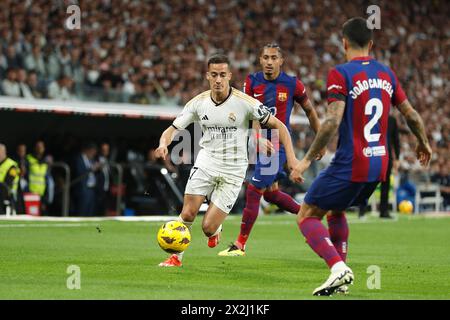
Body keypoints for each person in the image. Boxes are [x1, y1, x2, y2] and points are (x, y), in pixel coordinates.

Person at [290, 17, 432, 296]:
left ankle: (337, 268)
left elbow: (331, 121)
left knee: (306, 215)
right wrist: (423, 142)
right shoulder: (387, 74)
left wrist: (306, 160)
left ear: (343, 42)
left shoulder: (340, 73)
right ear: (371, 43)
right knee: (337, 209)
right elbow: (412, 115)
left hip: (351, 161)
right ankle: (341, 277)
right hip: (380, 164)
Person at [155, 54, 299, 267]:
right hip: (206, 162)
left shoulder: (246, 103)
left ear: (230, 76)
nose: (218, 79)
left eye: (223, 74)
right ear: (207, 76)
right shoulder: (198, 103)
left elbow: (281, 127)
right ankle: (176, 258)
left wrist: (292, 159)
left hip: (234, 169)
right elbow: (172, 129)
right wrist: (163, 143)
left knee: (208, 228)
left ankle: (216, 228)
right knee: (187, 212)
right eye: (214, 75)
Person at [218, 43, 324, 256]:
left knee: (253, 189)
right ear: (260, 59)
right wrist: (257, 137)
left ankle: (240, 245)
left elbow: (311, 112)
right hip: (259, 142)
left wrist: (319, 139)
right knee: (272, 194)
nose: (269, 62)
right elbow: (251, 114)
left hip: (277, 142)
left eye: (274, 58)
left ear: (281, 61)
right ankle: (310, 218)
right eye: (265, 57)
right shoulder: (252, 82)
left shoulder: (292, 84)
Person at [359, 113, 400, 218]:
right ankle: (362, 209)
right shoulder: (371, 118)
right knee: (367, 182)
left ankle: (383, 210)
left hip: (386, 156)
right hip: (372, 154)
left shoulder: (392, 120)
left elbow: (396, 140)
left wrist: (397, 158)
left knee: (385, 184)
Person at [72, 142, 100, 216]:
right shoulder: (79, 159)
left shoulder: (91, 159)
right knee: (82, 212)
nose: (93, 154)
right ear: (87, 150)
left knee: (90, 212)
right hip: (83, 189)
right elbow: (79, 172)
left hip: (92, 189)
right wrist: (91, 169)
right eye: (92, 151)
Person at [26, 140, 51, 214]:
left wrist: (46, 196)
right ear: (34, 148)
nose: (40, 149)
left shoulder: (45, 161)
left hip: (42, 193)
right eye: (38, 147)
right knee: (32, 214)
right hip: (30, 192)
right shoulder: (28, 159)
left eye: (41, 147)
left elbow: (46, 179)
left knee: (42, 214)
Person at [0, 144, 20, 215]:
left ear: (4, 152)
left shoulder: (12, 165)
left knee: (1, 187)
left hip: (8, 192)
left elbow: (8, 181)